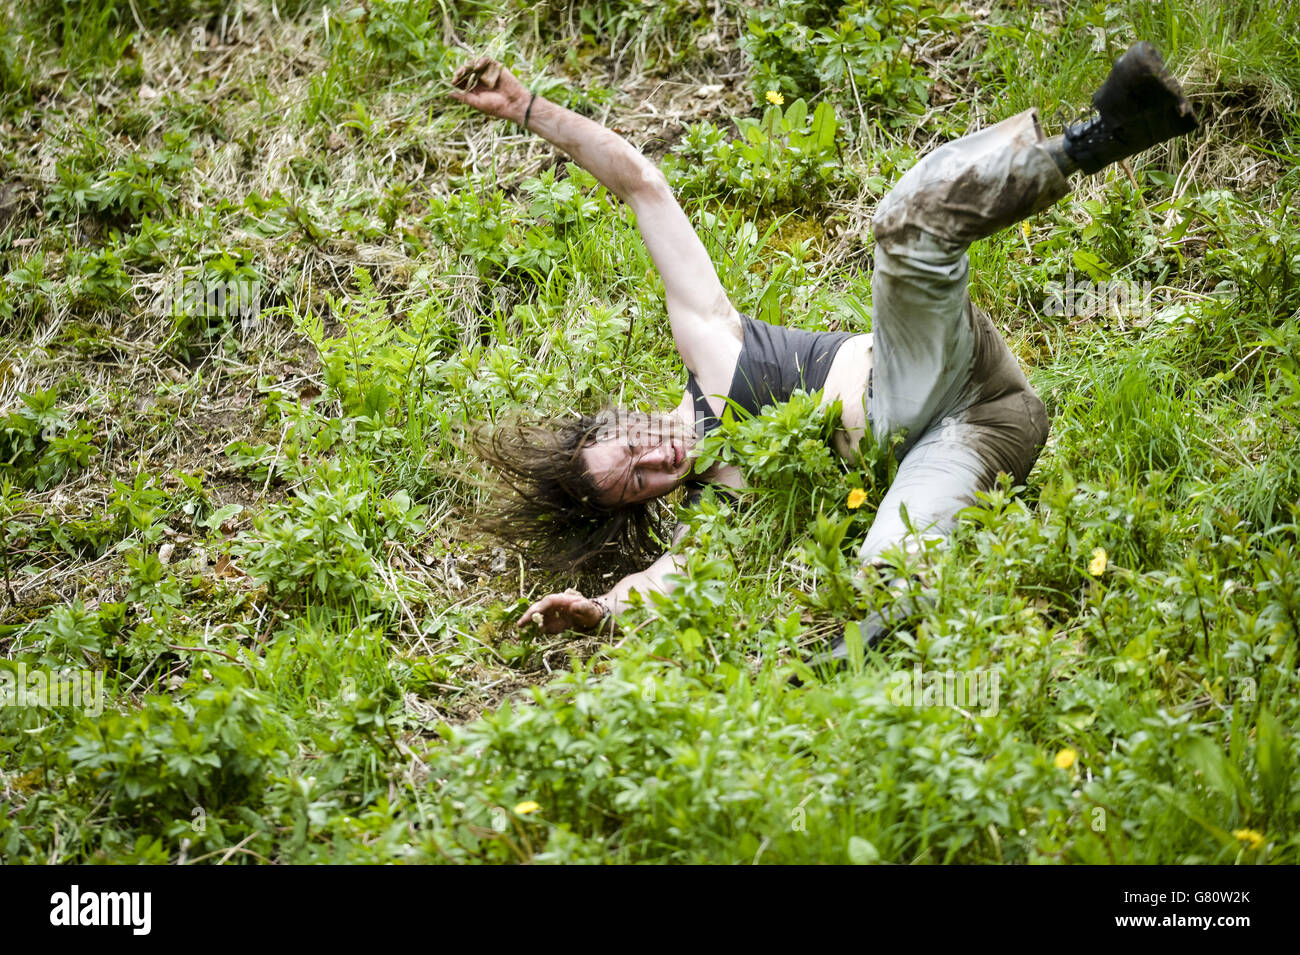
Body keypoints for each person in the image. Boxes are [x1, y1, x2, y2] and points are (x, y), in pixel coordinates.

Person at [450, 42, 1198, 643]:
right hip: (976, 442)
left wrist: (527, 109)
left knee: (904, 225)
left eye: (633, 446)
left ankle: (1094, 139)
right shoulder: (724, 509)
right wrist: (604, 608)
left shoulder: (713, 349)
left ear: (618, 415)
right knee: (880, 583)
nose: (656, 461)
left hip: (931, 374)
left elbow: (644, 186)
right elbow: (665, 579)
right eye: (640, 482)